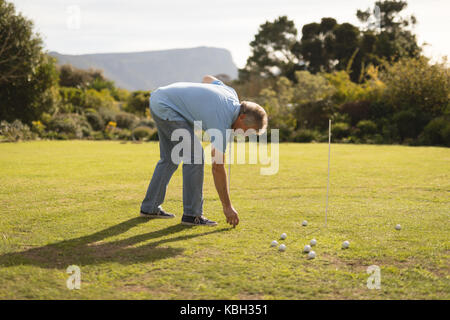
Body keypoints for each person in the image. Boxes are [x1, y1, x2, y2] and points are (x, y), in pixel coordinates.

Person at [140, 75, 268, 227]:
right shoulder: (222, 121)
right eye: (248, 130)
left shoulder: (231, 93)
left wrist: (200, 100)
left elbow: (207, 78)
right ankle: (192, 215)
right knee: (195, 157)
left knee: (170, 159)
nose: (244, 134)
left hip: (159, 99)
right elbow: (217, 167)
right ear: (242, 117)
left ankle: (150, 207)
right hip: (167, 107)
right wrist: (227, 207)